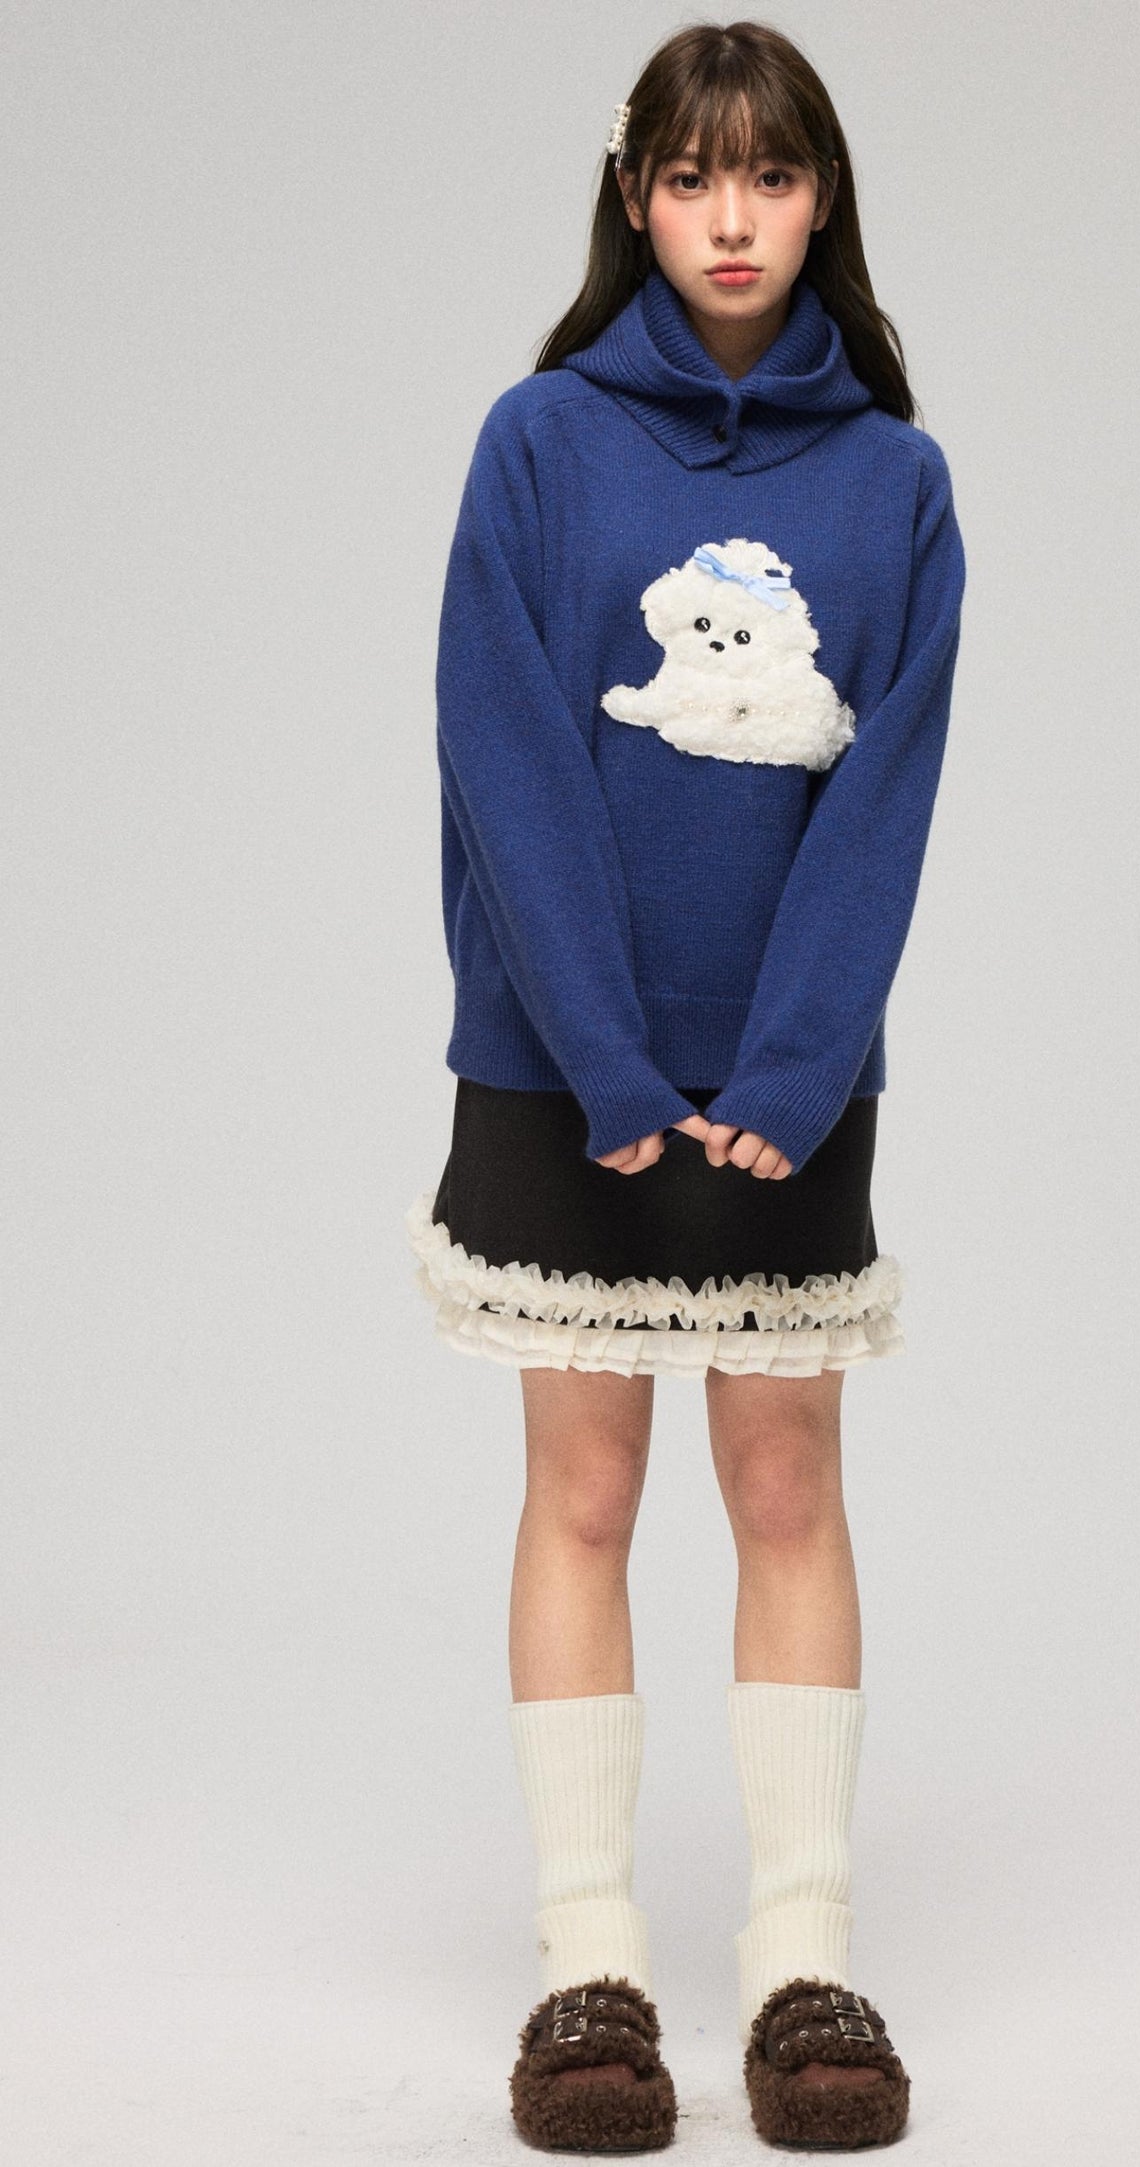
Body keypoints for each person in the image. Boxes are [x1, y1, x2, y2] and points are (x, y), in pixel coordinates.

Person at [403, 19, 966, 2152]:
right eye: (694, 177)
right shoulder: (539, 444)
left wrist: (799, 1065)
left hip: (788, 1071)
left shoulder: (896, 484)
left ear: (824, 201)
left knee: (789, 1480)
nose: (734, 220)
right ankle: (591, 1968)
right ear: (633, 196)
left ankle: (804, 1956)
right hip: (561, 1059)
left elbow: (883, 799)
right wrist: (605, 1057)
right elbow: (505, 759)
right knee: (582, 1488)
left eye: (774, 176)